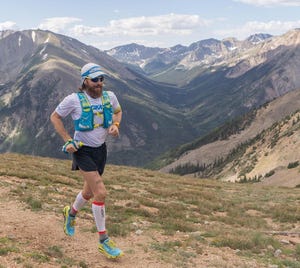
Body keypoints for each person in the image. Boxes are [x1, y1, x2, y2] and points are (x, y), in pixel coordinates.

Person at [50, 62, 123, 259]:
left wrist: (116, 125)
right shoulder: (73, 100)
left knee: (89, 192)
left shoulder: (110, 97)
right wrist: (68, 140)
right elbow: (55, 117)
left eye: (101, 79)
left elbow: (117, 111)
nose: (99, 83)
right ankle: (103, 240)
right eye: (95, 80)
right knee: (100, 191)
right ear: (85, 81)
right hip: (82, 151)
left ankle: (70, 213)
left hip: (101, 150)